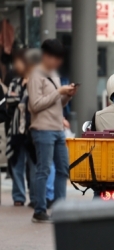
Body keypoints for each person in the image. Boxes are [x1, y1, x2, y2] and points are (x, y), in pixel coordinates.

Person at [28, 39, 76, 223]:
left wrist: (67, 96)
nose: (57, 62)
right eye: (55, 58)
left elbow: (57, 103)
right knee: (44, 170)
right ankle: (39, 210)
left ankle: (60, 210)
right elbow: (35, 105)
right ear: (45, 56)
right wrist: (58, 92)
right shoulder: (35, 75)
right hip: (43, 129)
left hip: (57, 128)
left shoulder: (54, 74)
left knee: (63, 169)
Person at [6, 48, 40, 207]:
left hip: (33, 130)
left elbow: (37, 102)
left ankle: (34, 198)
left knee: (34, 166)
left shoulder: (38, 81)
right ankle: (18, 197)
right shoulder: (14, 82)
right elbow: (9, 102)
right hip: (16, 131)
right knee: (16, 164)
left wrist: (21, 100)